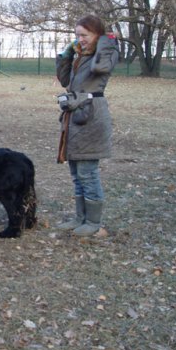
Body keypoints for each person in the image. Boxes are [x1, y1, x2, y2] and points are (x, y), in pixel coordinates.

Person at [55, 14, 119, 236]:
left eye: (84, 35)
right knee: (76, 173)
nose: (80, 39)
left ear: (97, 35)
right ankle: (80, 218)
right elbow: (65, 81)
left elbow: (101, 68)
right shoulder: (80, 55)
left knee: (87, 172)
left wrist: (106, 40)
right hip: (75, 116)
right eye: (76, 35)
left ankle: (93, 223)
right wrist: (67, 53)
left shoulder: (106, 53)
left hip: (91, 116)